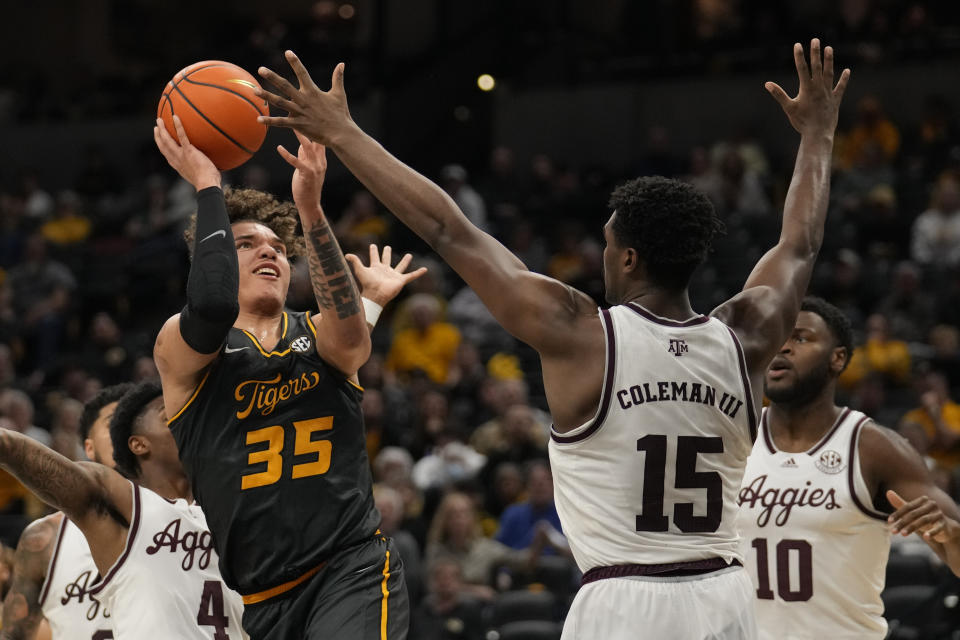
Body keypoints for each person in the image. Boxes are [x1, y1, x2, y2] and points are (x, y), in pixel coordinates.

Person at [256, 38, 849, 639]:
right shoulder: (746, 336)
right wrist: (818, 134)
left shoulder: (583, 334)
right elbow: (799, 244)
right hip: (726, 597)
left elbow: (447, 228)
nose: (604, 256)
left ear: (630, 257)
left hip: (623, 601)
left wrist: (344, 133)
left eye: (610, 244)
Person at [152, 116, 422, 639]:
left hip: (351, 566)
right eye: (248, 244)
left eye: (278, 245)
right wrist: (208, 184)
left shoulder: (318, 334)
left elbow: (350, 339)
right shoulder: (181, 348)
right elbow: (210, 302)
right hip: (263, 596)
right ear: (217, 260)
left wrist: (311, 208)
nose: (270, 250)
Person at [737, 297, 960, 639]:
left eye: (800, 338)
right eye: (777, 336)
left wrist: (951, 536)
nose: (782, 347)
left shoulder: (874, 448)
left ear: (837, 358)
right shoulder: (735, 438)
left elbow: (953, 547)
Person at [0, 380, 248, 638]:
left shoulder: (230, 508)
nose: (184, 422)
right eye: (169, 416)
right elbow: (57, 471)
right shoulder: (124, 511)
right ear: (137, 444)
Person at [0, 383, 130, 640]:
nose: (127, 429)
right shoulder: (44, 538)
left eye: (137, 420)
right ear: (89, 448)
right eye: (115, 421)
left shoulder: (192, 516)